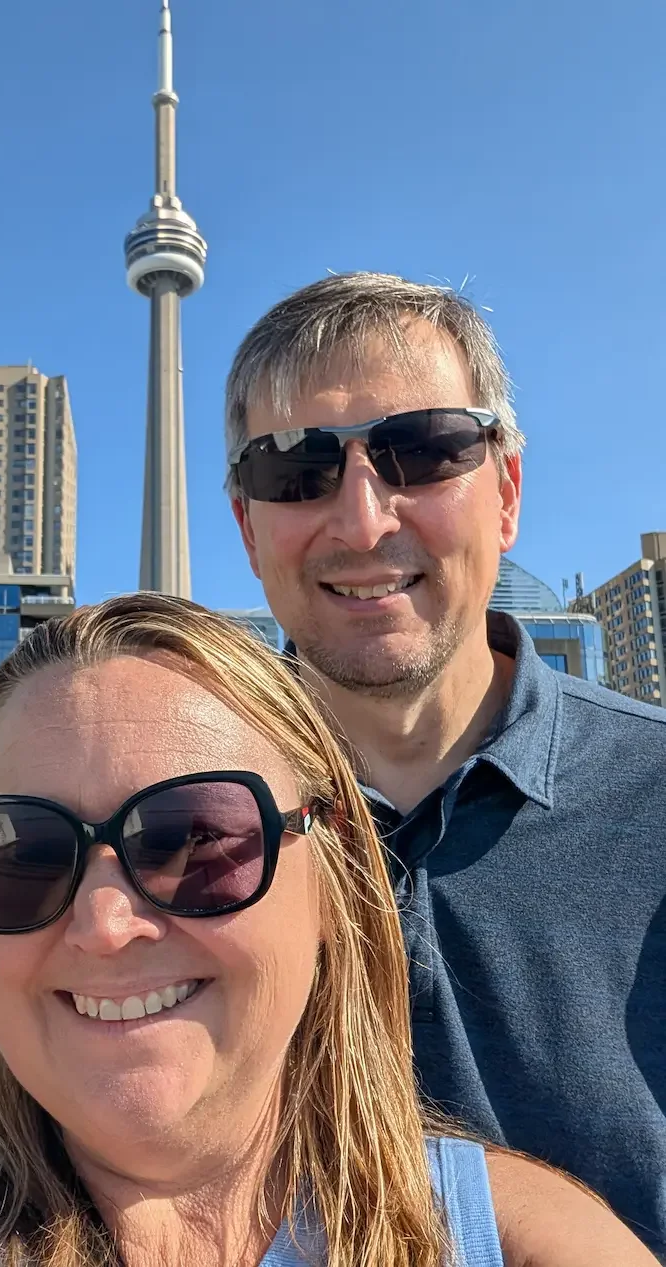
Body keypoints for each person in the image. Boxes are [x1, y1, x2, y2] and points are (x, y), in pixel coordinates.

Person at [0, 596, 654, 1267]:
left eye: (197, 838)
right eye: (25, 852)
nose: (103, 923)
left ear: (332, 878)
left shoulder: (534, 1240)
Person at [225, 272, 666, 1258]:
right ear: (249, 529)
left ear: (503, 491)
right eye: (294, 468)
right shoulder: (167, 828)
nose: (362, 519)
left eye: (422, 450)